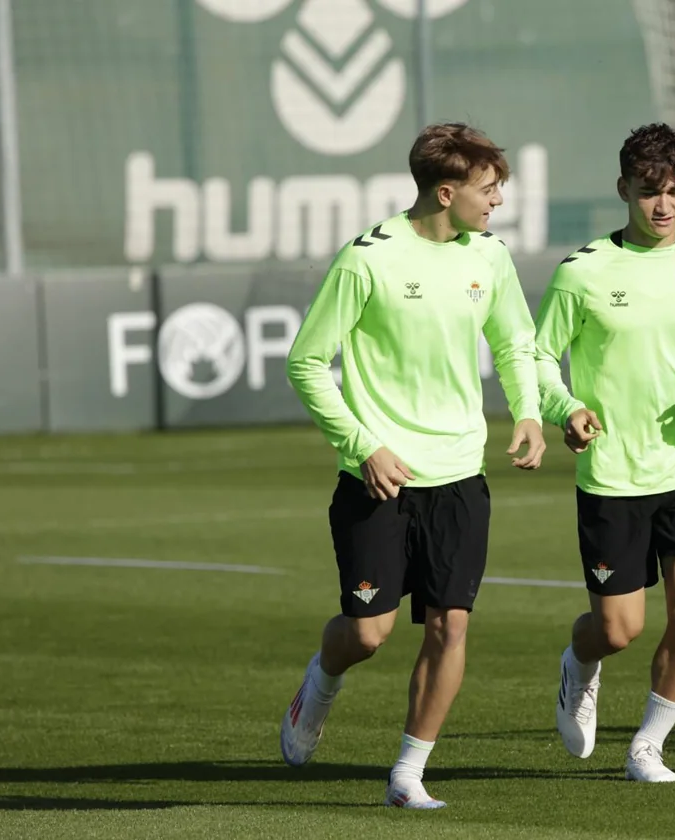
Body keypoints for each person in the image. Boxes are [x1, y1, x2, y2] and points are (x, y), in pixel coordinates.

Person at [280, 122, 546, 809]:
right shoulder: (367, 259)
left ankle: (407, 772)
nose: (497, 204)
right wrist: (362, 444)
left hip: (460, 472)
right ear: (446, 191)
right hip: (379, 475)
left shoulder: (489, 256)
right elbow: (307, 362)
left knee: (450, 624)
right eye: (488, 191)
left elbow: (516, 343)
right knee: (368, 635)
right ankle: (319, 683)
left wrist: (526, 412)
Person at [535, 123, 675, 783]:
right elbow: (539, 358)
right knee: (619, 628)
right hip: (612, 477)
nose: (663, 205)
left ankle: (647, 747)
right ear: (623, 188)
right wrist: (564, 409)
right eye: (649, 191)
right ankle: (580, 663)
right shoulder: (583, 271)